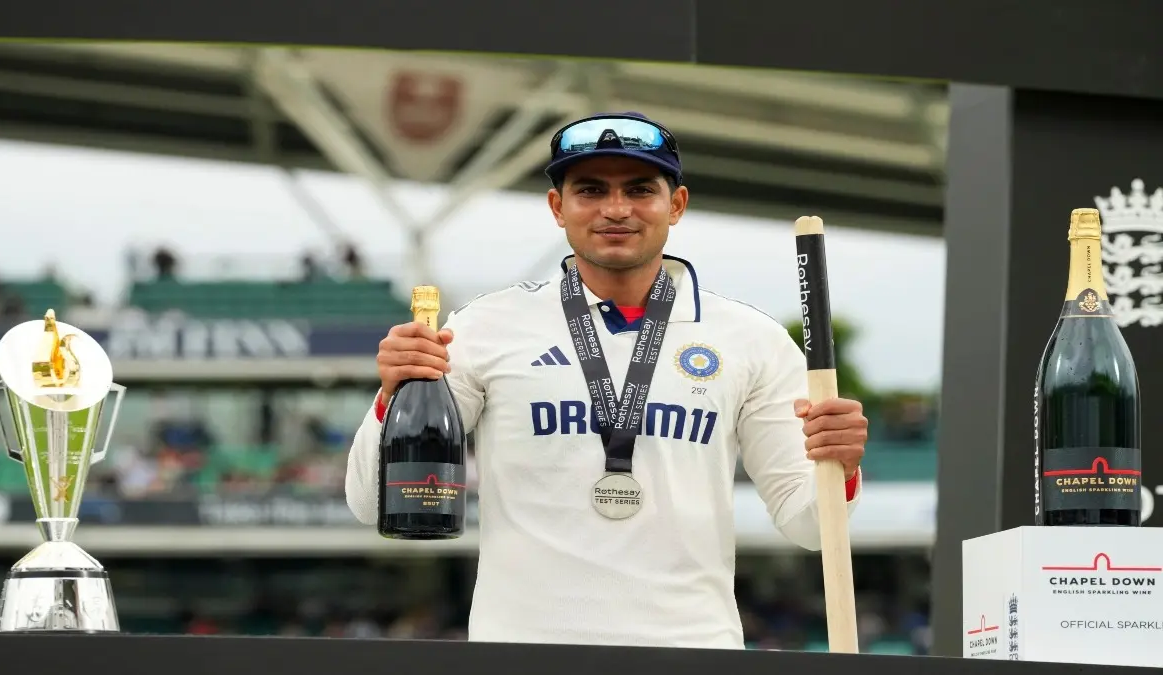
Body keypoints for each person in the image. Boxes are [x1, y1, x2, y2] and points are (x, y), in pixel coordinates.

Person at [345, 112, 868, 649]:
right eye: (590, 190)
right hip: (524, 653)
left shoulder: (750, 338)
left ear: (677, 205)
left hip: (692, 652)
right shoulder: (485, 326)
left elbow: (809, 527)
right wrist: (393, 395)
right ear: (558, 208)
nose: (616, 209)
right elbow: (369, 502)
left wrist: (840, 464)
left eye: (640, 189)